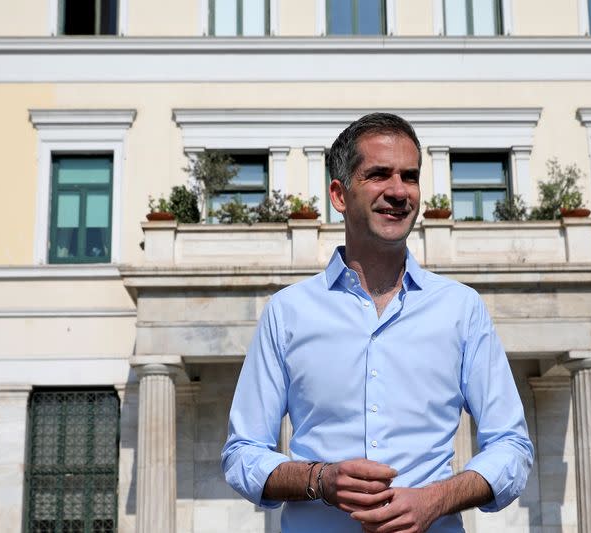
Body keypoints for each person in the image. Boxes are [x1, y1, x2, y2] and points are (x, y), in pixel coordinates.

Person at [222, 113, 533, 533]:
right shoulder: (287, 312)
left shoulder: (462, 309)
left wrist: (433, 500)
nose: (399, 191)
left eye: (410, 176)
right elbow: (242, 452)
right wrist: (320, 480)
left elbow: (511, 446)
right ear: (339, 194)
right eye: (379, 175)